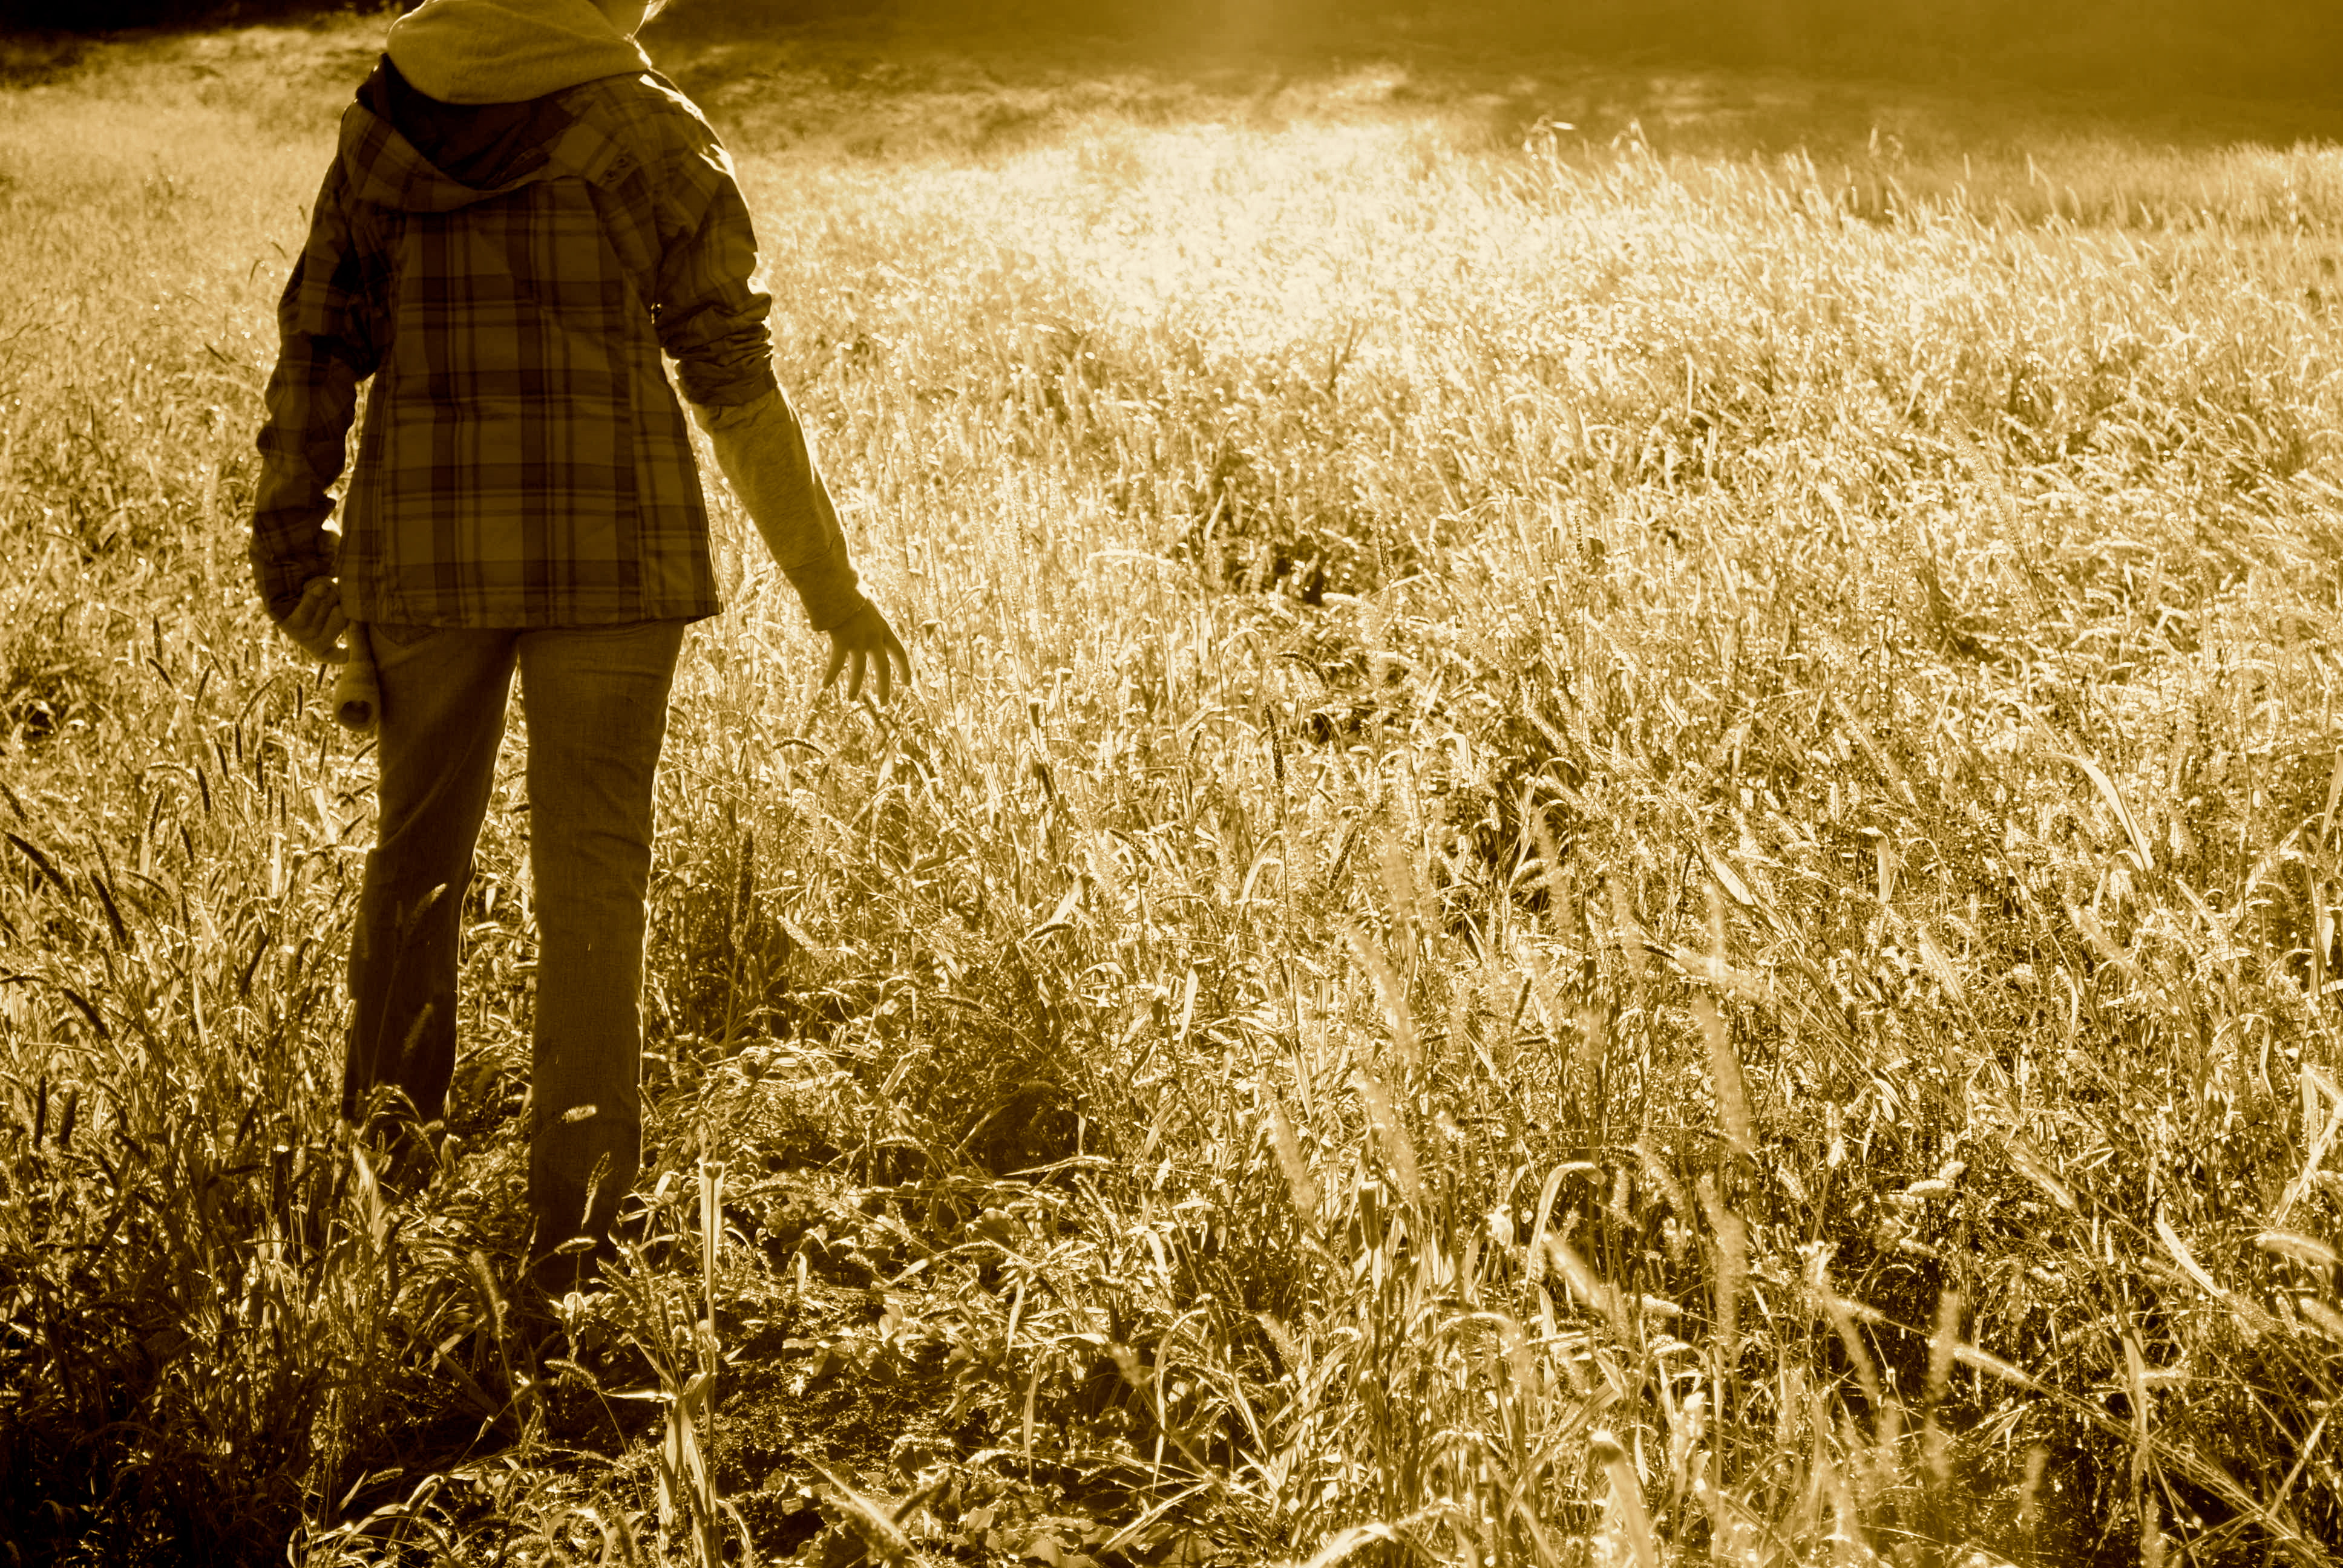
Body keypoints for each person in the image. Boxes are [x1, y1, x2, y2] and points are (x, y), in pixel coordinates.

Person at [249, 0, 909, 1295]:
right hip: (613, 553)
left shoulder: (382, 124)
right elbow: (734, 376)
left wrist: (295, 565)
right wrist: (830, 590)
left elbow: (316, 350)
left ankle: (387, 1178)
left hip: (425, 553)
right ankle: (582, 1233)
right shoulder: (645, 127)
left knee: (414, 864)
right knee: (594, 876)